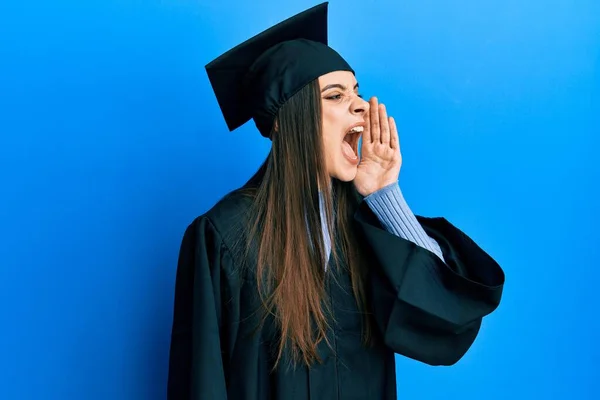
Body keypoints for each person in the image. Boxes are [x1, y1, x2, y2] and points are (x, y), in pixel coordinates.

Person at [166, 2, 505, 399]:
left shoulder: (368, 224)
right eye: (335, 95)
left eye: (357, 92)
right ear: (289, 118)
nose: (361, 104)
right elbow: (202, 381)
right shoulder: (226, 236)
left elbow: (448, 320)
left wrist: (385, 196)